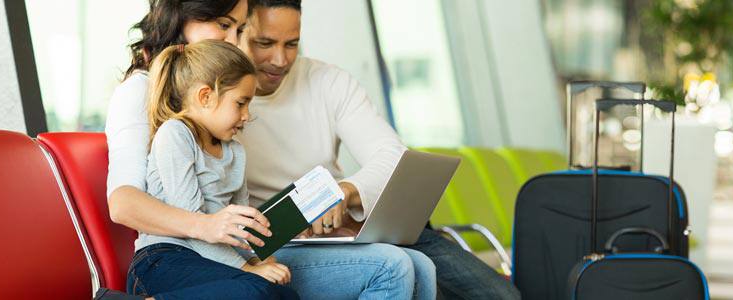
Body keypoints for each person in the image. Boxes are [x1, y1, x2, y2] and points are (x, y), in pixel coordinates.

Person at [106, 0, 432, 299]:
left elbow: (237, 209)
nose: (235, 41)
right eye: (224, 25)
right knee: (386, 267)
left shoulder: (229, 133)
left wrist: (305, 219)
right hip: (180, 251)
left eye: (240, 29)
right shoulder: (153, 101)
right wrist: (209, 228)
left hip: (242, 243)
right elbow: (124, 203)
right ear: (182, 18)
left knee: (420, 266)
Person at [236, 1, 520, 299]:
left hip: (354, 226)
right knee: (404, 268)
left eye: (291, 44)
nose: (280, 59)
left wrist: (347, 192)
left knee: (502, 296)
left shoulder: (327, 81)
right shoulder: (221, 101)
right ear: (237, 33)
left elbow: (393, 155)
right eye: (264, 43)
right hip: (288, 241)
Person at [126, 39, 296, 299]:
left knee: (281, 293)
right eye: (240, 103)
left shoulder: (235, 151)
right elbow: (194, 227)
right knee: (257, 289)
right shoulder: (176, 134)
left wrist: (262, 260)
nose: (247, 115)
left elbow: (243, 231)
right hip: (164, 259)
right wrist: (249, 270)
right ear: (205, 96)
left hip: (211, 259)